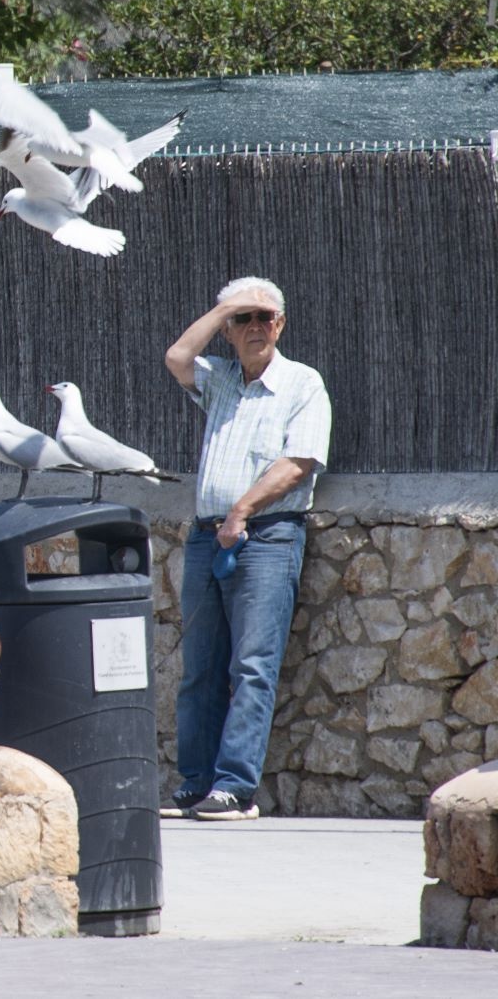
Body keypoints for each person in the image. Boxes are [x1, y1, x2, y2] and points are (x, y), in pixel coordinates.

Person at [163, 276, 332, 822]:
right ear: (229, 330)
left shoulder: (302, 384)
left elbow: (298, 462)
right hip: (207, 533)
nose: (256, 327)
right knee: (200, 667)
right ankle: (195, 783)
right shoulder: (218, 379)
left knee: (252, 666)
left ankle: (235, 787)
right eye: (244, 319)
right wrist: (224, 308)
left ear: (280, 325)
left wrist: (242, 512)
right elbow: (178, 355)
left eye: (266, 317)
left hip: (267, 534)